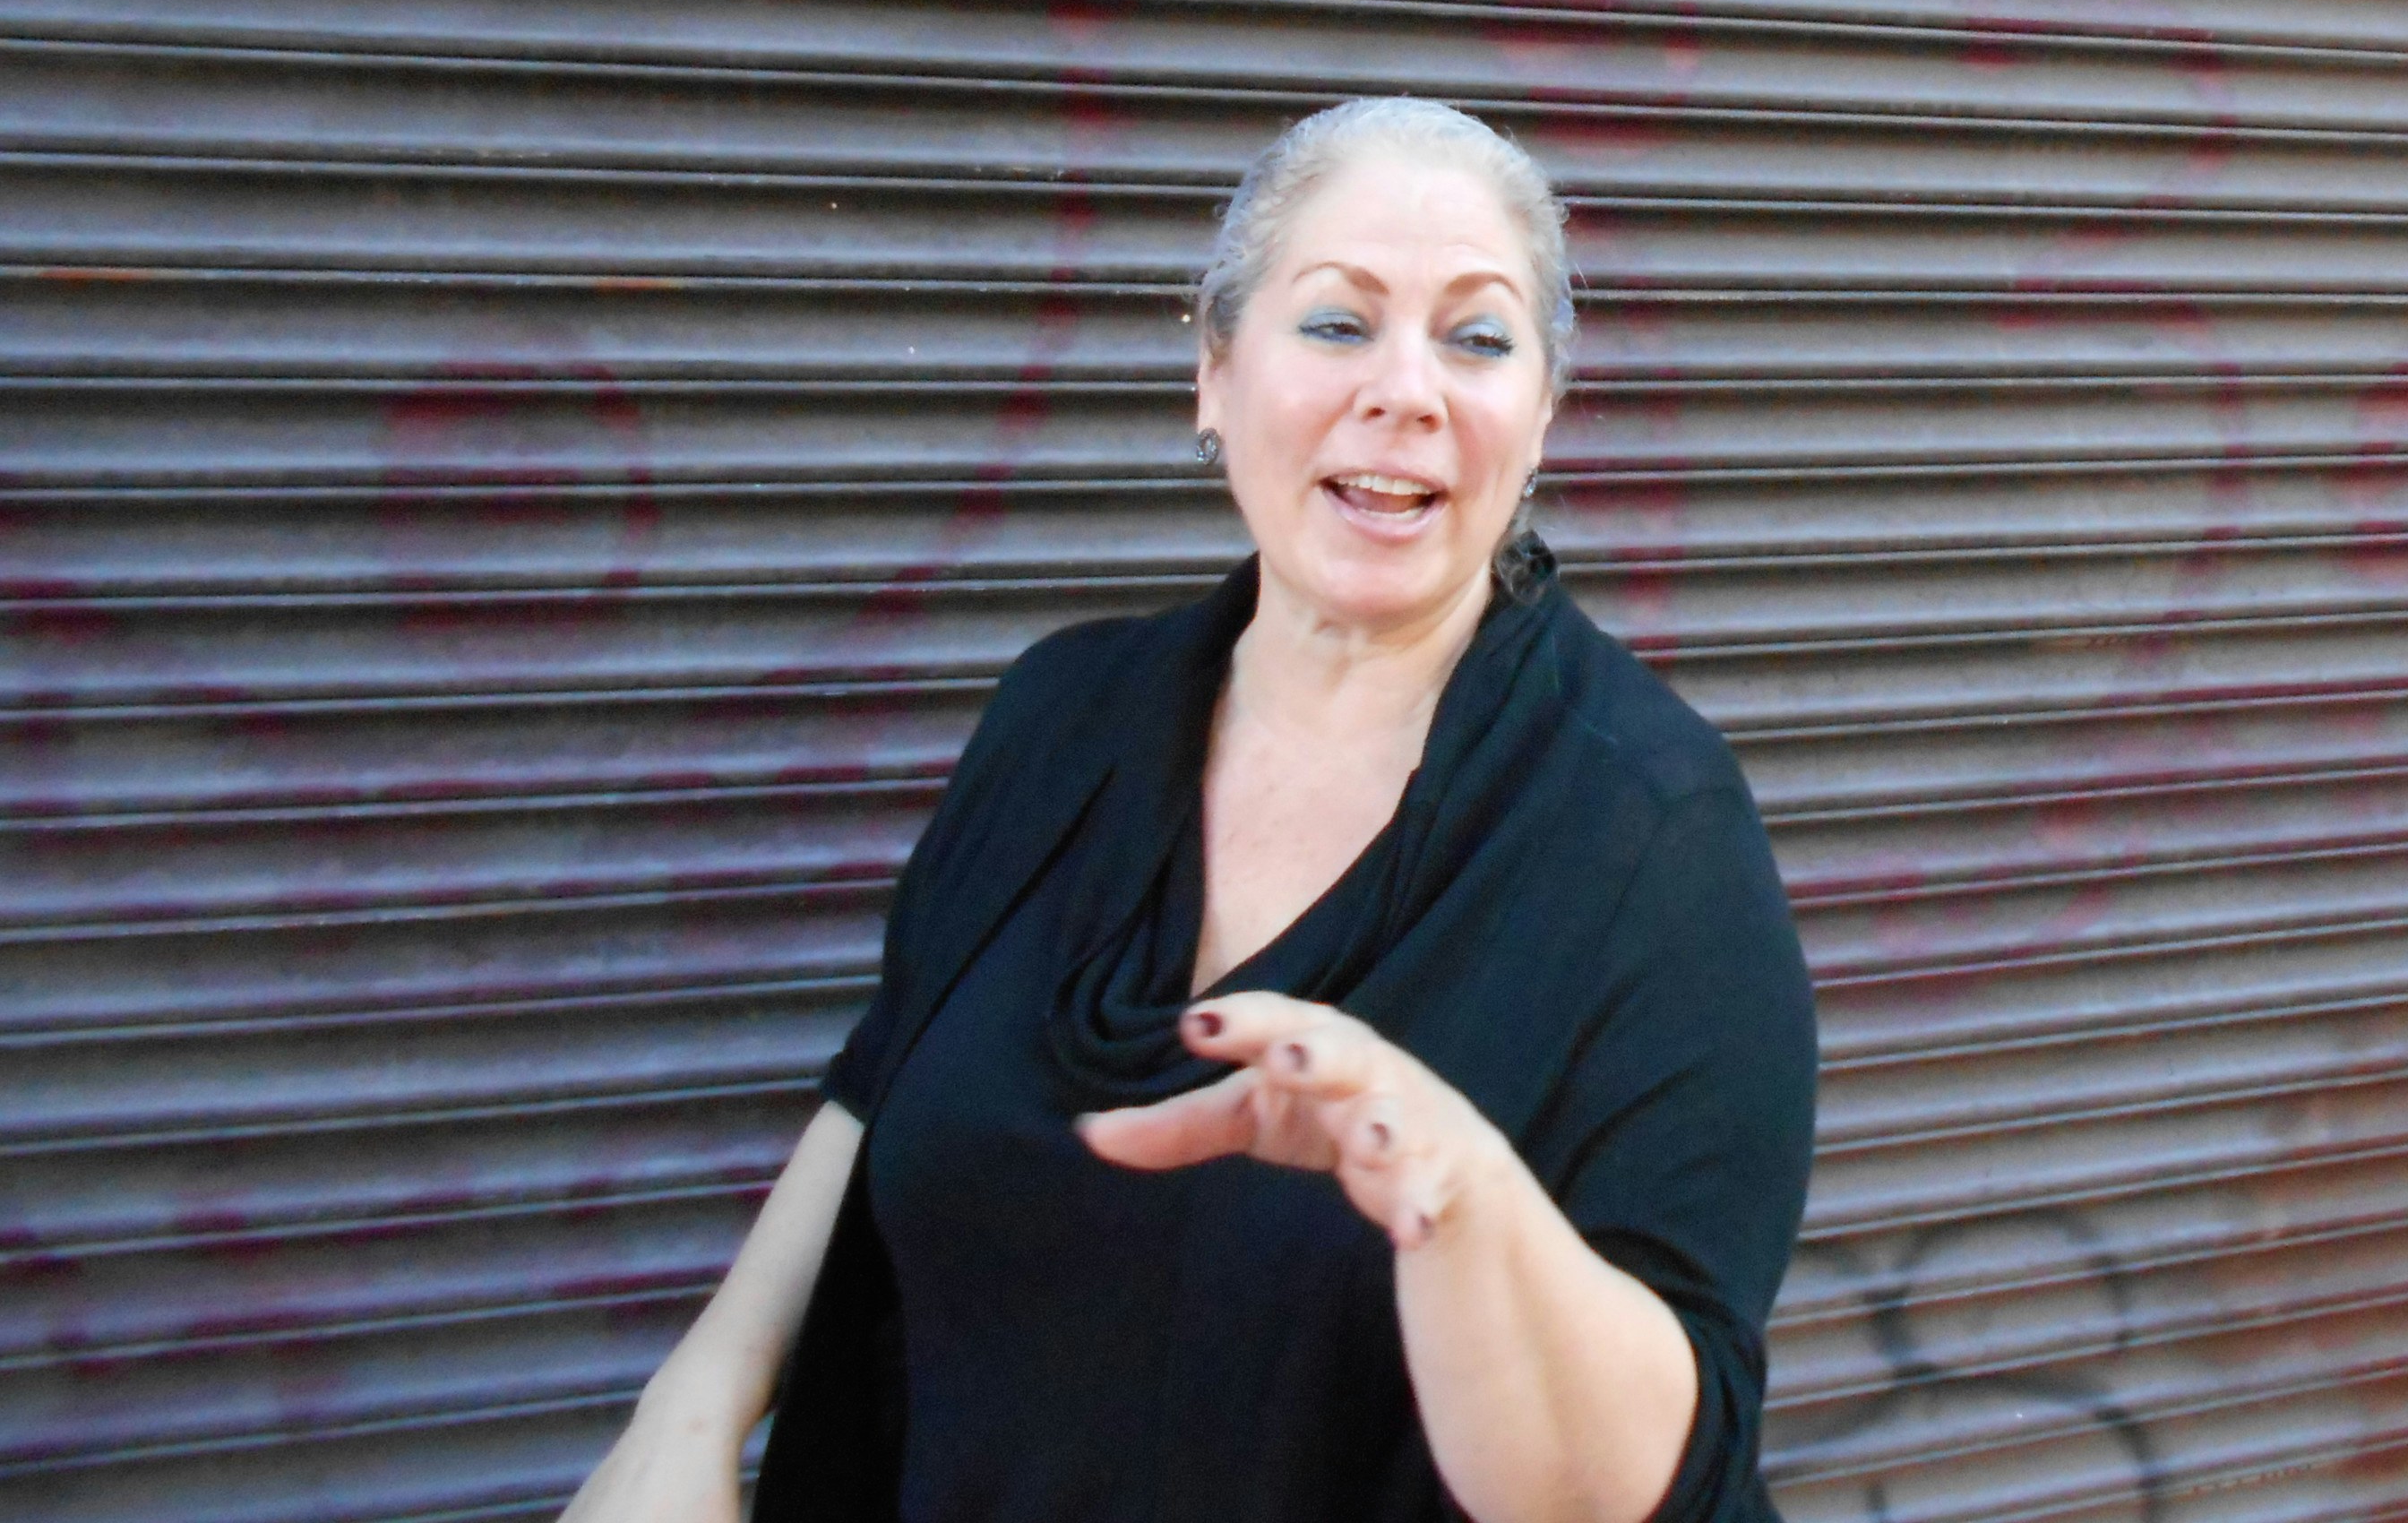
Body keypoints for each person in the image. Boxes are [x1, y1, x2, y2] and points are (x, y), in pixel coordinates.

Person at [559, 95, 1818, 1523]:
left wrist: (1466, 1204)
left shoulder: (1655, 838)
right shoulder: (1062, 714)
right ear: (1212, 372)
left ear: (1539, 419)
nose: (1407, 390)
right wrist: (693, 1406)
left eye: (1478, 339)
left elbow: (1653, 1479)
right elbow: (882, 1081)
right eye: (1338, 323)